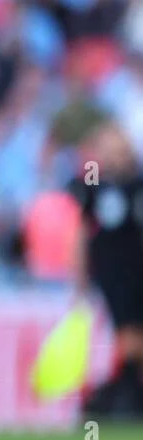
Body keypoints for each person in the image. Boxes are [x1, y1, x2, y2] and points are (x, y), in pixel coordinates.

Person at [70, 120, 143, 419]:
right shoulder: (94, 187)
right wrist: (81, 277)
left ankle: (127, 391)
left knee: (133, 332)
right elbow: (82, 234)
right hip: (113, 273)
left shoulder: (138, 185)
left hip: (137, 268)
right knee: (126, 331)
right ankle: (127, 394)